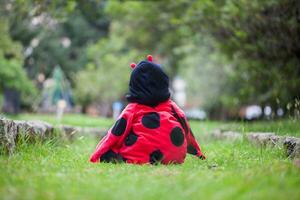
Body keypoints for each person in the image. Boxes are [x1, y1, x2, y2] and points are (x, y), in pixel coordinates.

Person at [90, 55, 205, 164]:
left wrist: (97, 154)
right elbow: (185, 126)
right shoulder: (171, 106)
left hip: (141, 158)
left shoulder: (133, 108)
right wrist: (197, 152)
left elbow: (116, 133)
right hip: (176, 158)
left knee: (108, 155)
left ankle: (133, 157)